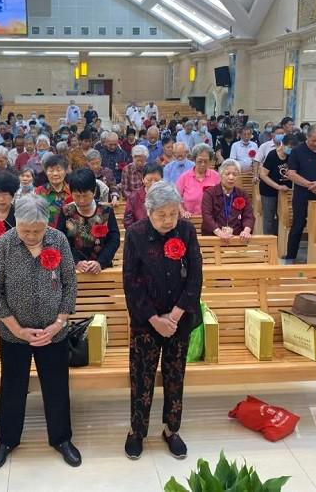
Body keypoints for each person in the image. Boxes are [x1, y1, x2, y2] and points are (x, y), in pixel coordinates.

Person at [0, 194, 81, 470]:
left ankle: (61, 439)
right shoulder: (4, 244)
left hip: (54, 332)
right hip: (14, 334)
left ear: (45, 225)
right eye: (25, 230)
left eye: (37, 230)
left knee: (56, 387)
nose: (31, 235)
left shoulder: (58, 240)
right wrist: (17, 329)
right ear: (16, 223)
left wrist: (58, 324)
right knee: (13, 387)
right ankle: (6, 440)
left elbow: (69, 285)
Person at [122, 181, 202, 460]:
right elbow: (131, 283)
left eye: (173, 213)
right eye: (161, 215)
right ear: (148, 212)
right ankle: (137, 431)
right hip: (147, 321)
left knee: (175, 375)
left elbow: (195, 276)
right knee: (141, 376)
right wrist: (155, 319)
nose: (168, 220)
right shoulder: (136, 234)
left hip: (180, 318)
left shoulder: (187, 230)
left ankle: (172, 429)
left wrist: (176, 315)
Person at [57, 168, 120, 272]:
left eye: (85, 195)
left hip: (102, 269)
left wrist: (100, 262)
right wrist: (76, 262)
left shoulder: (105, 211)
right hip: (74, 270)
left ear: (94, 191)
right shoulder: (66, 212)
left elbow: (114, 240)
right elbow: (61, 241)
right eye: (77, 196)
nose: (81, 201)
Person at [285, 124, 316, 262]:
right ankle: (290, 257)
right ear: (307, 136)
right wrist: (309, 184)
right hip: (302, 194)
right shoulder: (297, 151)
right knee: (298, 225)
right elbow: (291, 173)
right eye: (313, 140)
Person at [202, 159, 255, 241]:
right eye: (227, 174)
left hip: (237, 238)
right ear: (220, 175)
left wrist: (246, 231)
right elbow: (207, 216)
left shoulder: (243, 194)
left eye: (235, 174)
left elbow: (249, 216)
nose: (231, 177)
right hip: (214, 237)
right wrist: (220, 233)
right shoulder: (209, 193)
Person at [259, 133, 297, 236]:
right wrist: (278, 187)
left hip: (285, 191)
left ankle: (280, 240)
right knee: (269, 218)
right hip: (269, 191)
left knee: (283, 217)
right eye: (289, 147)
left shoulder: (292, 156)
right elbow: (263, 175)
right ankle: (268, 241)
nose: (290, 150)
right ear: (283, 144)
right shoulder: (272, 155)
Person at [175, 143, 219, 219]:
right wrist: (183, 212)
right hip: (189, 219)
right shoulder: (184, 177)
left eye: (206, 161)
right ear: (194, 160)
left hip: (211, 220)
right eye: (199, 161)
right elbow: (175, 198)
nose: (203, 164)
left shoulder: (216, 176)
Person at [35, 154, 72, 228]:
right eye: (51, 170)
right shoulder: (38, 191)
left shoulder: (72, 191)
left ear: (65, 171)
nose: (55, 174)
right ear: (46, 172)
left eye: (59, 170)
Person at [124, 163, 163, 228]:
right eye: (149, 180)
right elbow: (128, 222)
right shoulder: (133, 197)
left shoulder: (167, 196)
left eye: (157, 180)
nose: (153, 183)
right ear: (143, 179)